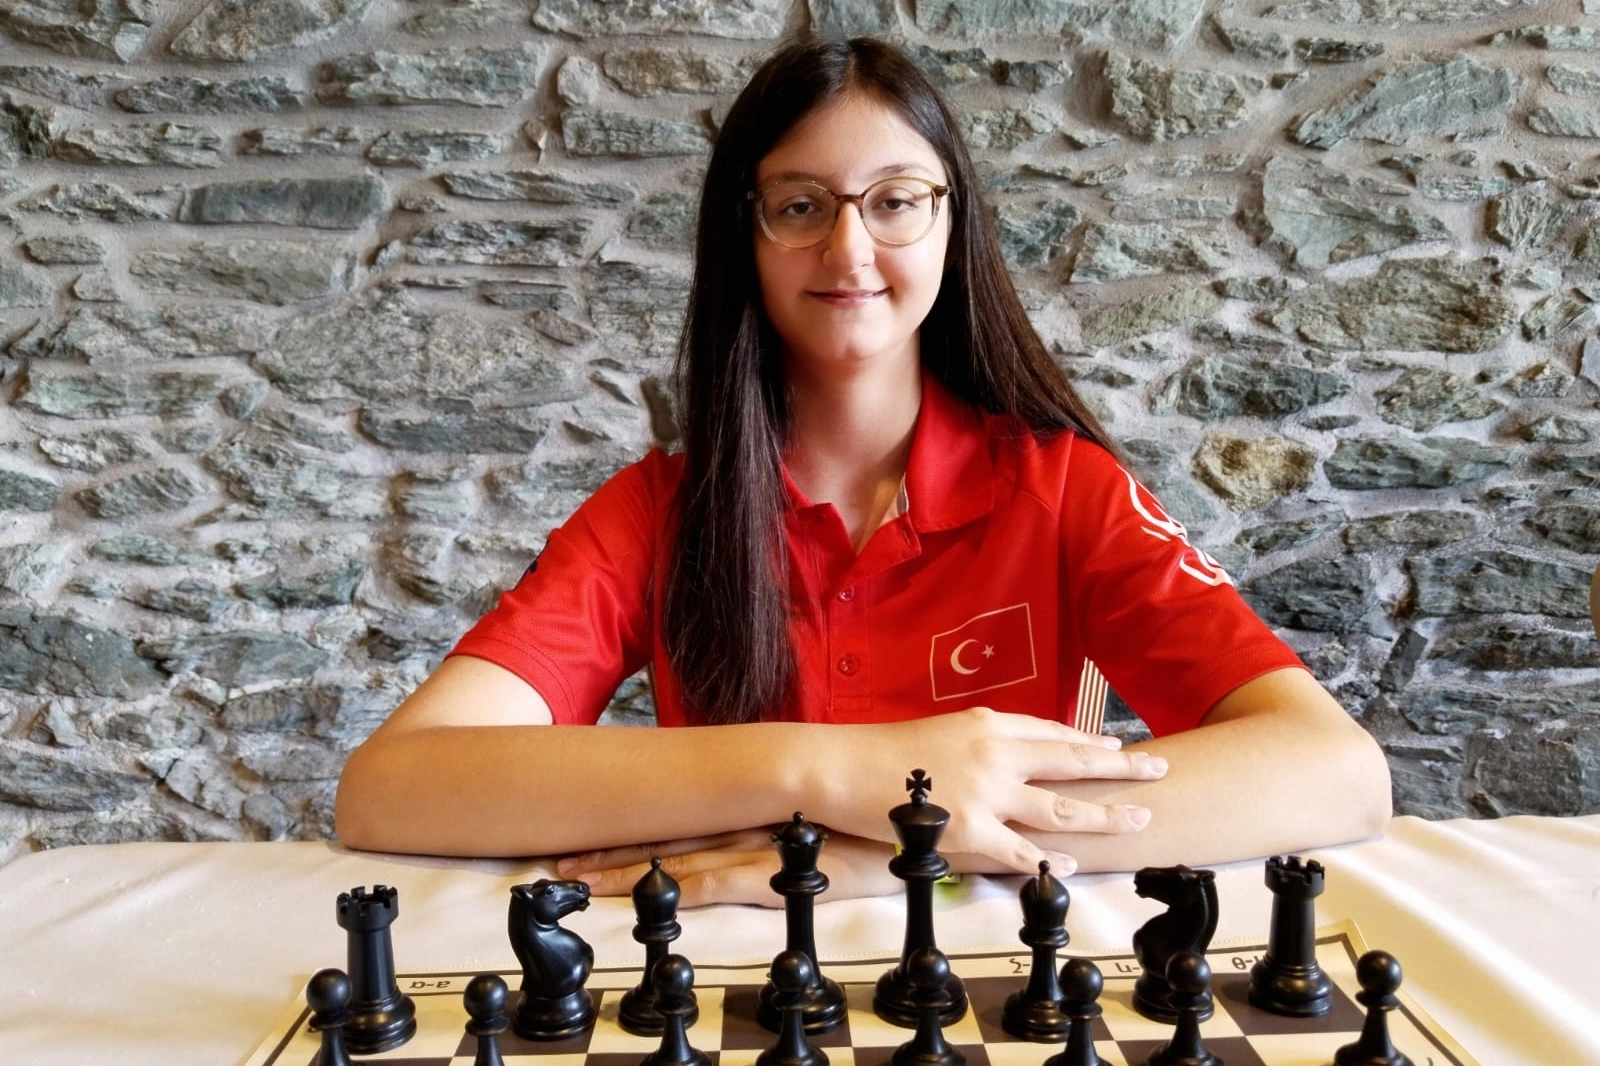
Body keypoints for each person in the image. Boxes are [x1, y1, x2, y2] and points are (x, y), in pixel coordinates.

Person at [335, 35, 1392, 906]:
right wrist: (825, 772)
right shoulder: (656, 511)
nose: (849, 251)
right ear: (746, 237)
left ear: (949, 223)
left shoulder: (1065, 490)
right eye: (801, 206)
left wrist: (894, 846)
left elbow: (1336, 771)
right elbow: (392, 786)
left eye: (894, 201)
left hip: (1003, 985)